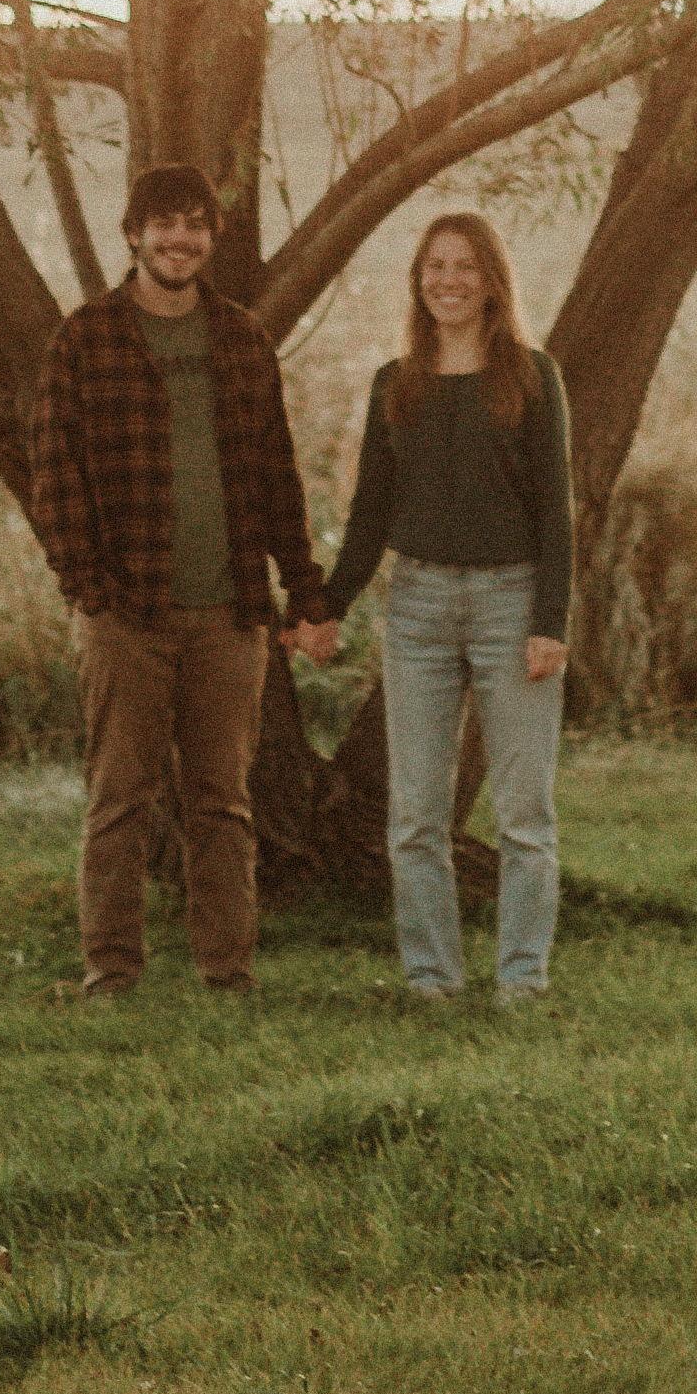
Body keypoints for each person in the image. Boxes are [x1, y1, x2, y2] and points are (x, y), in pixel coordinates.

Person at [19, 162, 329, 1001]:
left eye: (194, 224)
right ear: (133, 234)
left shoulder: (240, 339)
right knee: (119, 798)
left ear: (210, 240)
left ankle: (227, 971)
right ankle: (110, 971)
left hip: (229, 611)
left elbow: (276, 473)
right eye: (162, 223)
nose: (178, 238)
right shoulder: (86, 338)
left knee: (222, 803)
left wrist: (302, 588)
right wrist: (88, 585)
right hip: (127, 614)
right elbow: (52, 474)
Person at [294, 211, 577, 1010]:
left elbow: (557, 513)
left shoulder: (530, 376)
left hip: (511, 599)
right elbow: (370, 513)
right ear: (419, 280)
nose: (447, 280)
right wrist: (327, 605)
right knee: (414, 814)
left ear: (491, 280)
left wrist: (550, 619)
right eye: (433, 266)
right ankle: (432, 980)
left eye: (463, 266)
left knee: (525, 812)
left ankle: (521, 979)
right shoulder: (397, 381)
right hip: (416, 606)